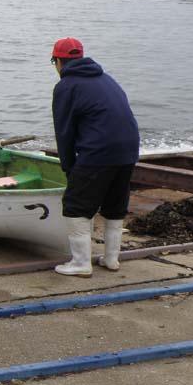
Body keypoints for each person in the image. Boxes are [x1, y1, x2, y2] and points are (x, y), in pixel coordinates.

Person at [50, 37, 140, 277]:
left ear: (58, 61)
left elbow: (64, 132)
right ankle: (111, 259)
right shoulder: (107, 79)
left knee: (75, 206)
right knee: (114, 206)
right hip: (128, 150)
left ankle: (80, 263)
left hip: (99, 151)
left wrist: (69, 168)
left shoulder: (67, 86)